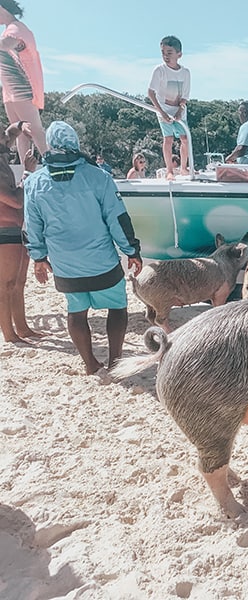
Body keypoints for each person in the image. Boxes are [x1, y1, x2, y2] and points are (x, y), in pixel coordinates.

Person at [23, 121, 143, 374]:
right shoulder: (99, 177)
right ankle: (115, 361)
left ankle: (90, 364)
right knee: (118, 307)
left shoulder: (35, 182)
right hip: (101, 260)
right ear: (75, 144)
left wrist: (39, 257)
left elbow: (32, 225)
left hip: (64, 264)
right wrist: (131, 250)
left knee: (76, 311)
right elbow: (117, 219)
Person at [0, 119, 39, 342]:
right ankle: (9, 333)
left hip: (15, 227)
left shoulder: (2, 156)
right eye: (3, 139)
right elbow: (15, 201)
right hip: (4, 228)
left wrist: (23, 124)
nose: (7, 141)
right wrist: (27, 174)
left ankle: (22, 328)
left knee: (19, 282)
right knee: (5, 285)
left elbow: (11, 131)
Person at [0, 0, 46, 160]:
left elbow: (6, 45)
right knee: (19, 133)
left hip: (21, 86)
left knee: (34, 130)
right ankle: (26, 172)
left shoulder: (17, 29)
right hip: (10, 90)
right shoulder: (9, 29)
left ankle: (54, 166)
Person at [147, 35, 190, 180]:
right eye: (163, 53)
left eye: (169, 53)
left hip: (179, 110)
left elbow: (185, 97)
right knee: (168, 138)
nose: (165, 56)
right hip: (162, 109)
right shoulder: (159, 70)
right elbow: (150, 92)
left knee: (184, 138)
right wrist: (161, 112)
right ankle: (169, 171)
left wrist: (179, 111)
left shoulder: (185, 73)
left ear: (179, 54)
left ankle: (184, 168)